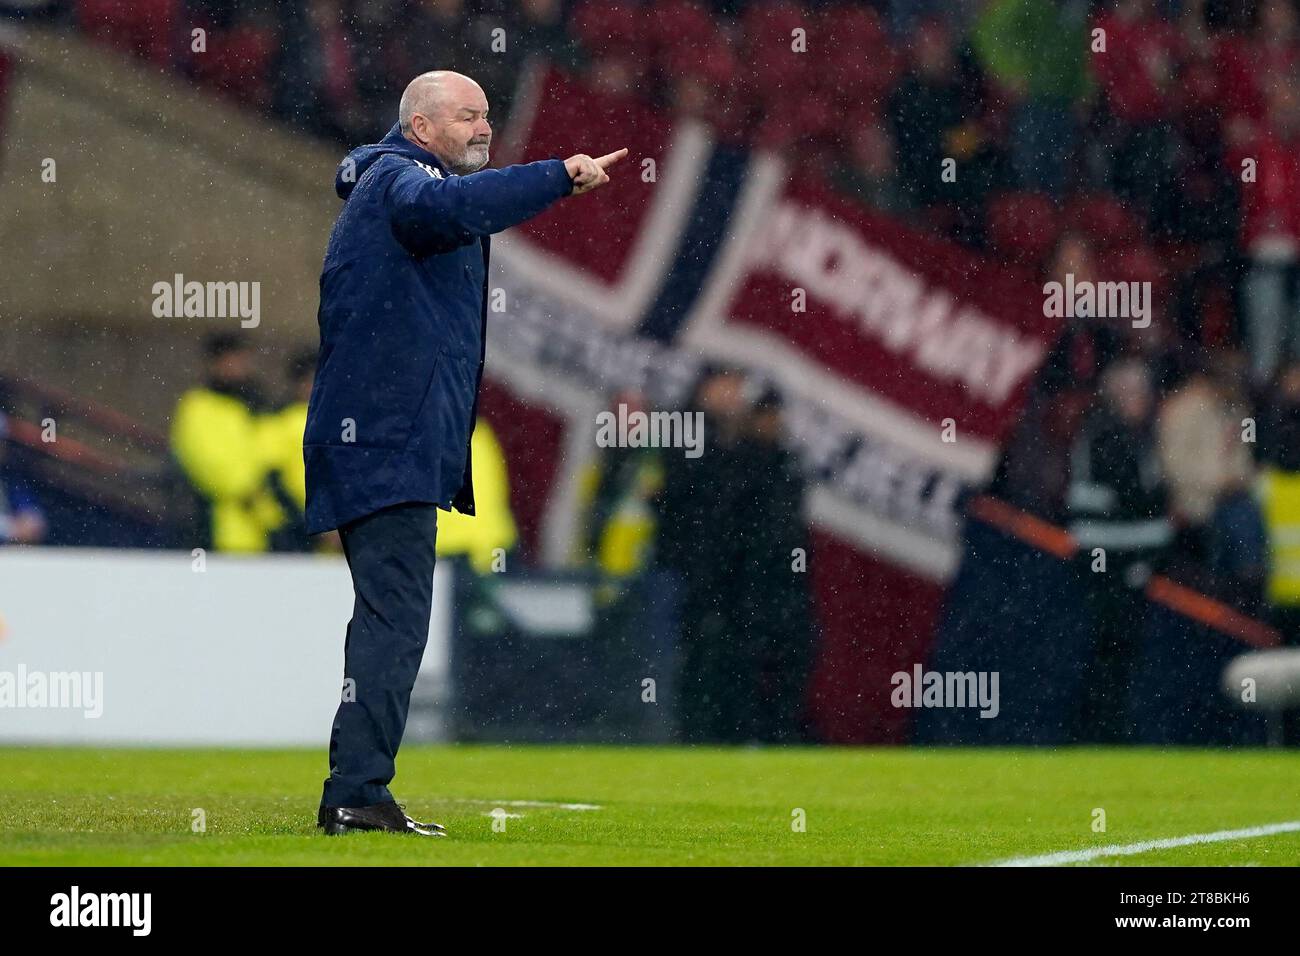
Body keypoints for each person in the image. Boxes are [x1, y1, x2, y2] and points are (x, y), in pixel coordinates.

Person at [305, 69, 625, 836]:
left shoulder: (390, 180)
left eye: (487, 114)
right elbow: (450, 209)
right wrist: (557, 175)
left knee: (389, 619)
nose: (484, 127)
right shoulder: (402, 180)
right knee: (394, 621)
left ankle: (356, 788)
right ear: (420, 126)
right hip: (384, 442)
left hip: (385, 439)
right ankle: (355, 792)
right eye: (466, 116)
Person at [170, 332, 284, 553]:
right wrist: (249, 490)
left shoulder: (258, 405)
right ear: (214, 364)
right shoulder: (198, 406)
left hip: (265, 529)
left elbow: (274, 454)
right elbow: (205, 460)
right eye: (230, 361)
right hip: (219, 528)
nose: (237, 367)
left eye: (242, 360)